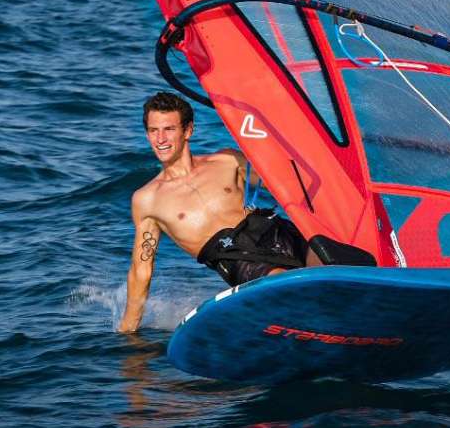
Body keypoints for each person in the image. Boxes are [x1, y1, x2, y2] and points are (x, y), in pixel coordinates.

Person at [117, 91, 311, 333]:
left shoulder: (227, 161)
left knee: (333, 259)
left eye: (168, 129)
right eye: (153, 130)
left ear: (188, 131)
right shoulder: (147, 200)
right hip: (238, 259)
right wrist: (128, 331)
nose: (160, 139)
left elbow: (288, 181)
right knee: (280, 283)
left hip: (274, 231)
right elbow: (141, 270)